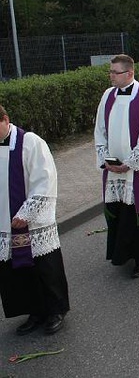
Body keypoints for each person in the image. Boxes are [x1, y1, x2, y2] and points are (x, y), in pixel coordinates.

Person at [0, 104, 70, 335]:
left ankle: (55, 310)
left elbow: (45, 179)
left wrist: (26, 213)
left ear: (5, 119)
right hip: (5, 222)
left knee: (44, 267)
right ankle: (34, 311)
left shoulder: (30, 142)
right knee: (17, 271)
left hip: (31, 221)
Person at [95, 54, 139, 279]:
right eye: (111, 72)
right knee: (121, 212)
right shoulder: (108, 95)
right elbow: (99, 129)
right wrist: (106, 157)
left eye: (115, 72)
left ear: (130, 73)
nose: (111, 76)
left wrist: (131, 163)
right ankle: (122, 253)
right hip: (116, 168)